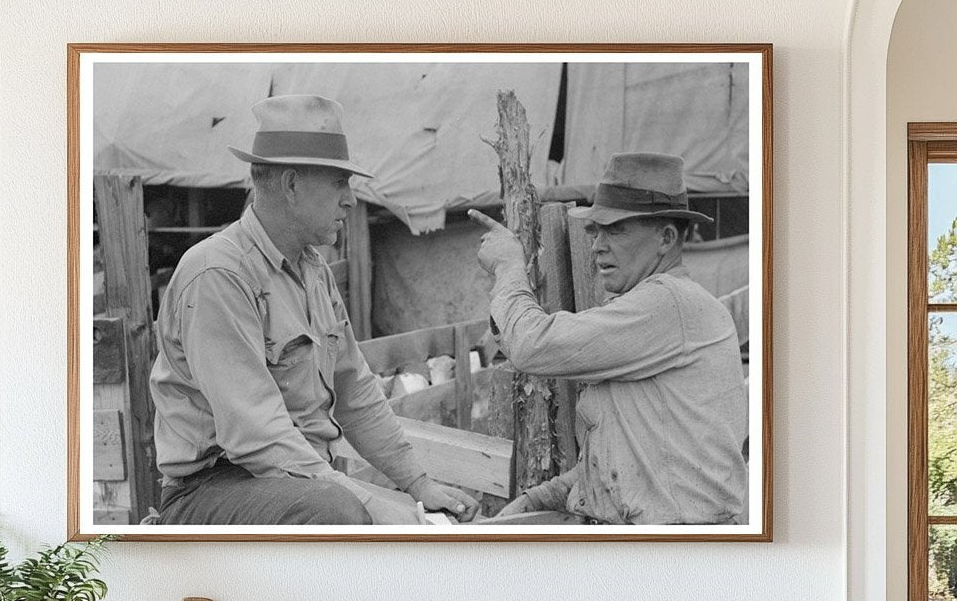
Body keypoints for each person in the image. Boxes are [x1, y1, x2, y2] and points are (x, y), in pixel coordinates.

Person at [149, 94, 478, 526]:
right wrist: (371, 504)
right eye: (339, 183)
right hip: (213, 489)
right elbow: (257, 434)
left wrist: (418, 485)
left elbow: (355, 390)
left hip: (297, 483)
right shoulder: (218, 274)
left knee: (399, 518)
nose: (351, 201)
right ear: (290, 185)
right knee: (342, 510)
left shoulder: (313, 270)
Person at [470, 152, 748, 526]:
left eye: (615, 230)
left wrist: (508, 268)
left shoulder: (666, 302)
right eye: (595, 230)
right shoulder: (655, 306)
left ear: (665, 238)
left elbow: (531, 344)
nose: (598, 244)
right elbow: (625, 460)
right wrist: (540, 497)